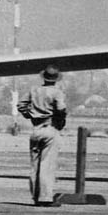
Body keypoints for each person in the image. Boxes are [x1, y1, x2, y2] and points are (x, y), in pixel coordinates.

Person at [17, 65, 68, 206]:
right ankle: (45, 198)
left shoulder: (34, 90)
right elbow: (61, 109)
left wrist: (31, 115)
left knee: (35, 165)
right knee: (47, 165)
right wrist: (60, 121)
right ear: (56, 79)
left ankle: (35, 196)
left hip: (35, 129)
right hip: (50, 127)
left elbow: (21, 105)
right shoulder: (57, 92)